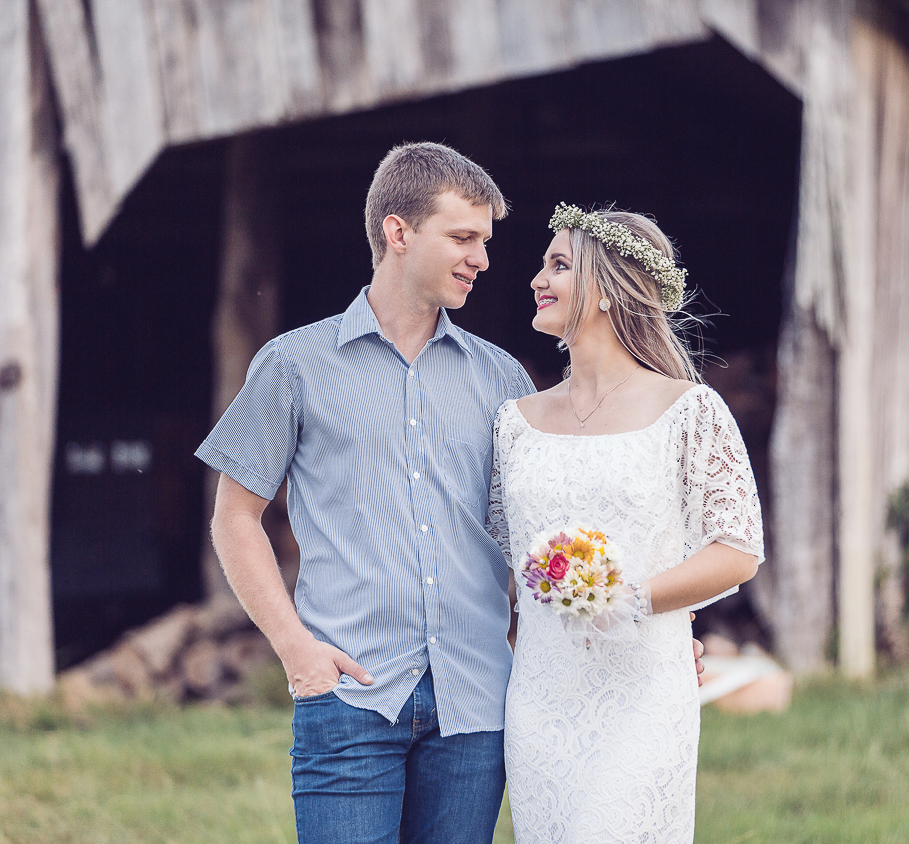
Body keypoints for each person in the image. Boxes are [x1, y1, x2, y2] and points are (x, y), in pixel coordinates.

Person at [196, 142, 531, 844]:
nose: (483, 259)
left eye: (485, 241)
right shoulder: (293, 365)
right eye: (463, 237)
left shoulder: (502, 379)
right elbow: (235, 516)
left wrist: (650, 630)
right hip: (348, 698)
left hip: (475, 705)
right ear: (399, 232)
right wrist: (295, 648)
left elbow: (539, 536)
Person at [489, 203, 764, 843]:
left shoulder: (690, 411)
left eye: (559, 264)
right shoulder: (513, 425)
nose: (537, 277)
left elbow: (737, 549)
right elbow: (501, 567)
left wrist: (633, 601)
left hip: (644, 693)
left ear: (610, 291)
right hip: (540, 698)